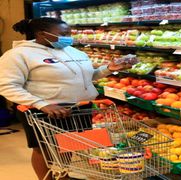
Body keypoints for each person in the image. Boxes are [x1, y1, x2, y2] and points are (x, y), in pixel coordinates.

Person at [0, 17, 131, 179]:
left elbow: (87, 77)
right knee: (43, 148)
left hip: (79, 107)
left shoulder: (73, 51)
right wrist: (41, 104)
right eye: (63, 33)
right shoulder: (18, 54)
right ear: (42, 34)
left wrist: (109, 69)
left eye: (69, 33)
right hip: (43, 111)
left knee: (69, 145)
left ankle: (63, 175)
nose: (69, 37)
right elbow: (6, 85)